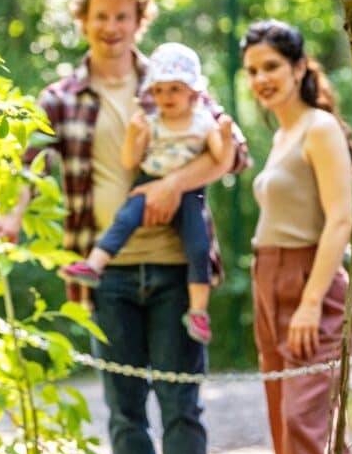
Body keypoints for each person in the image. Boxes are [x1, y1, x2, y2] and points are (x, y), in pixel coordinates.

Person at [0, 0, 248, 454]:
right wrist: (14, 214)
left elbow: (232, 153)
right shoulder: (58, 98)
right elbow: (29, 165)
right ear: (83, 20)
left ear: (140, 20)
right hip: (104, 272)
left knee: (181, 403)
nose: (112, 26)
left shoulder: (175, 80)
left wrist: (172, 189)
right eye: (100, 15)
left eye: (123, 15)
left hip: (175, 270)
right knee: (125, 408)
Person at [240, 19, 352, 454]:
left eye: (271, 68)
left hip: (310, 282)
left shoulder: (320, 128)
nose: (262, 78)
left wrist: (311, 302)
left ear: (300, 68)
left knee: (306, 423)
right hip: (269, 280)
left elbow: (340, 219)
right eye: (253, 70)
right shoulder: (283, 135)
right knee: (285, 427)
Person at [57, 42, 233, 346]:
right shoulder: (153, 123)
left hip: (189, 193)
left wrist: (226, 136)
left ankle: (198, 311)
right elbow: (130, 160)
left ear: (192, 92)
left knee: (198, 245)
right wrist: (133, 134)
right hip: (148, 178)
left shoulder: (204, 121)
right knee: (124, 219)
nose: (166, 98)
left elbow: (222, 156)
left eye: (175, 89)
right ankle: (94, 265)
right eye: (160, 90)